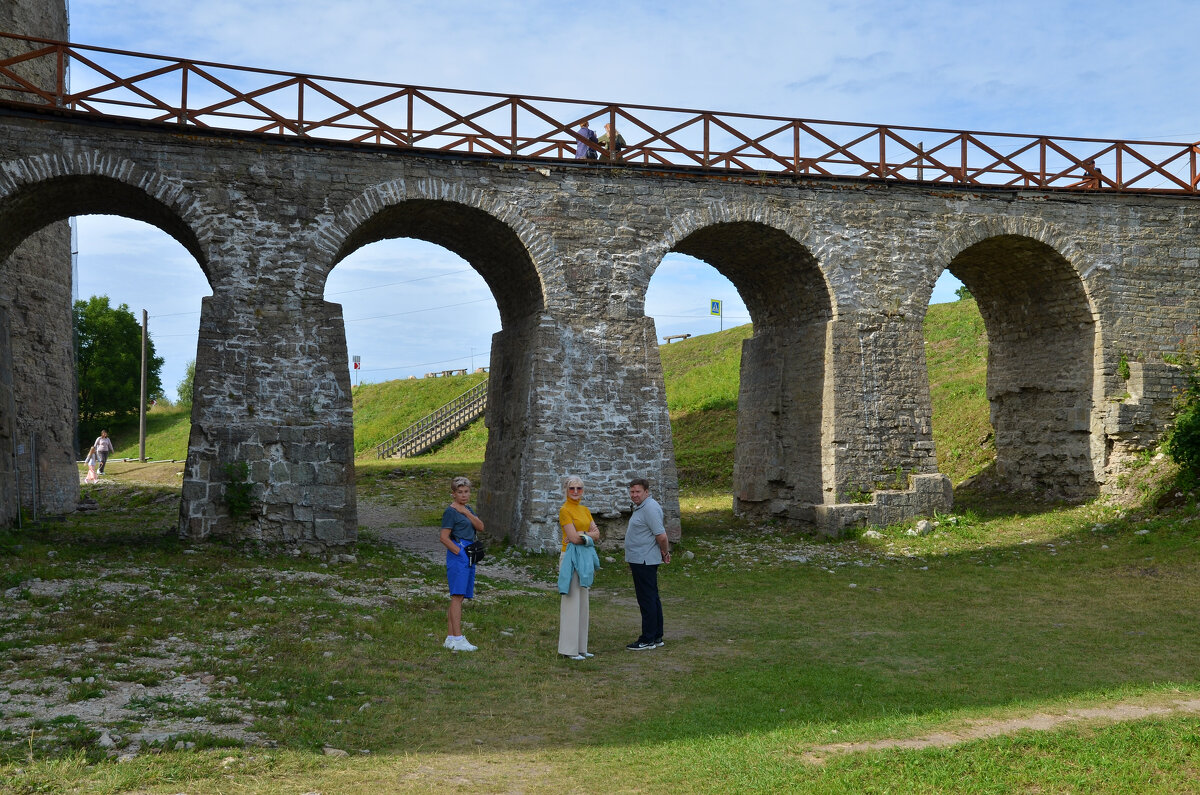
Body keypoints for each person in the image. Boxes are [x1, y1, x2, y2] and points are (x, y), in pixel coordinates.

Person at [440, 476, 485, 652]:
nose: (464, 495)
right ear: (453, 494)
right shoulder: (450, 512)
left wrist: (466, 512)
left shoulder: (467, 509)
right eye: (460, 492)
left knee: (460, 596)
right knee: (457, 596)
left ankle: (451, 638)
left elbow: (480, 526)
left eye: (466, 491)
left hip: (469, 551)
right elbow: (444, 537)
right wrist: (459, 552)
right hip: (459, 552)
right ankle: (458, 638)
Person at [624, 478, 670, 651]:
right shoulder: (642, 507)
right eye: (632, 491)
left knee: (647, 599)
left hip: (644, 560)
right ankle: (656, 636)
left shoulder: (650, 507)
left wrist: (665, 552)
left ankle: (648, 639)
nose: (634, 495)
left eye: (638, 492)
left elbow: (661, 536)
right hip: (640, 559)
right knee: (651, 597)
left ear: (646, 492)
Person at [558, 475, 600, 660]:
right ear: (566, 490)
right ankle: (568, 649)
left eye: (579, 488)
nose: (575, 492)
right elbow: (572, 539)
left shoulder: (585, 510)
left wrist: (581, 532)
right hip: (570, 556)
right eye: (572, 488)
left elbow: (597, 534)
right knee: (571, 600)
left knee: (583, 602)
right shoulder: (565, 510)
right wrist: (584, 534)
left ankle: (581, 647)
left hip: (584, 556)